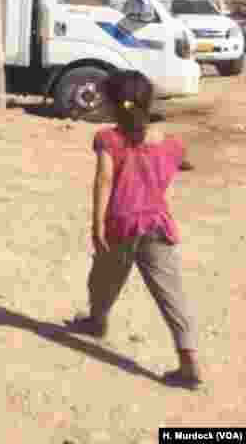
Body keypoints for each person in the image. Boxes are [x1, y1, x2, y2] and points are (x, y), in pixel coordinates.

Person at [66, 70, 202, 389]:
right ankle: (189, 359)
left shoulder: (108, 140)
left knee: (103, 279)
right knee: (170, 293)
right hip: (157, 224)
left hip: (121, 225)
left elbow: (104, 179)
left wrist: (97, 223)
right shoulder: (168, 143)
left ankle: (97, 321)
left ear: (114, 106)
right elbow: (183, 160)